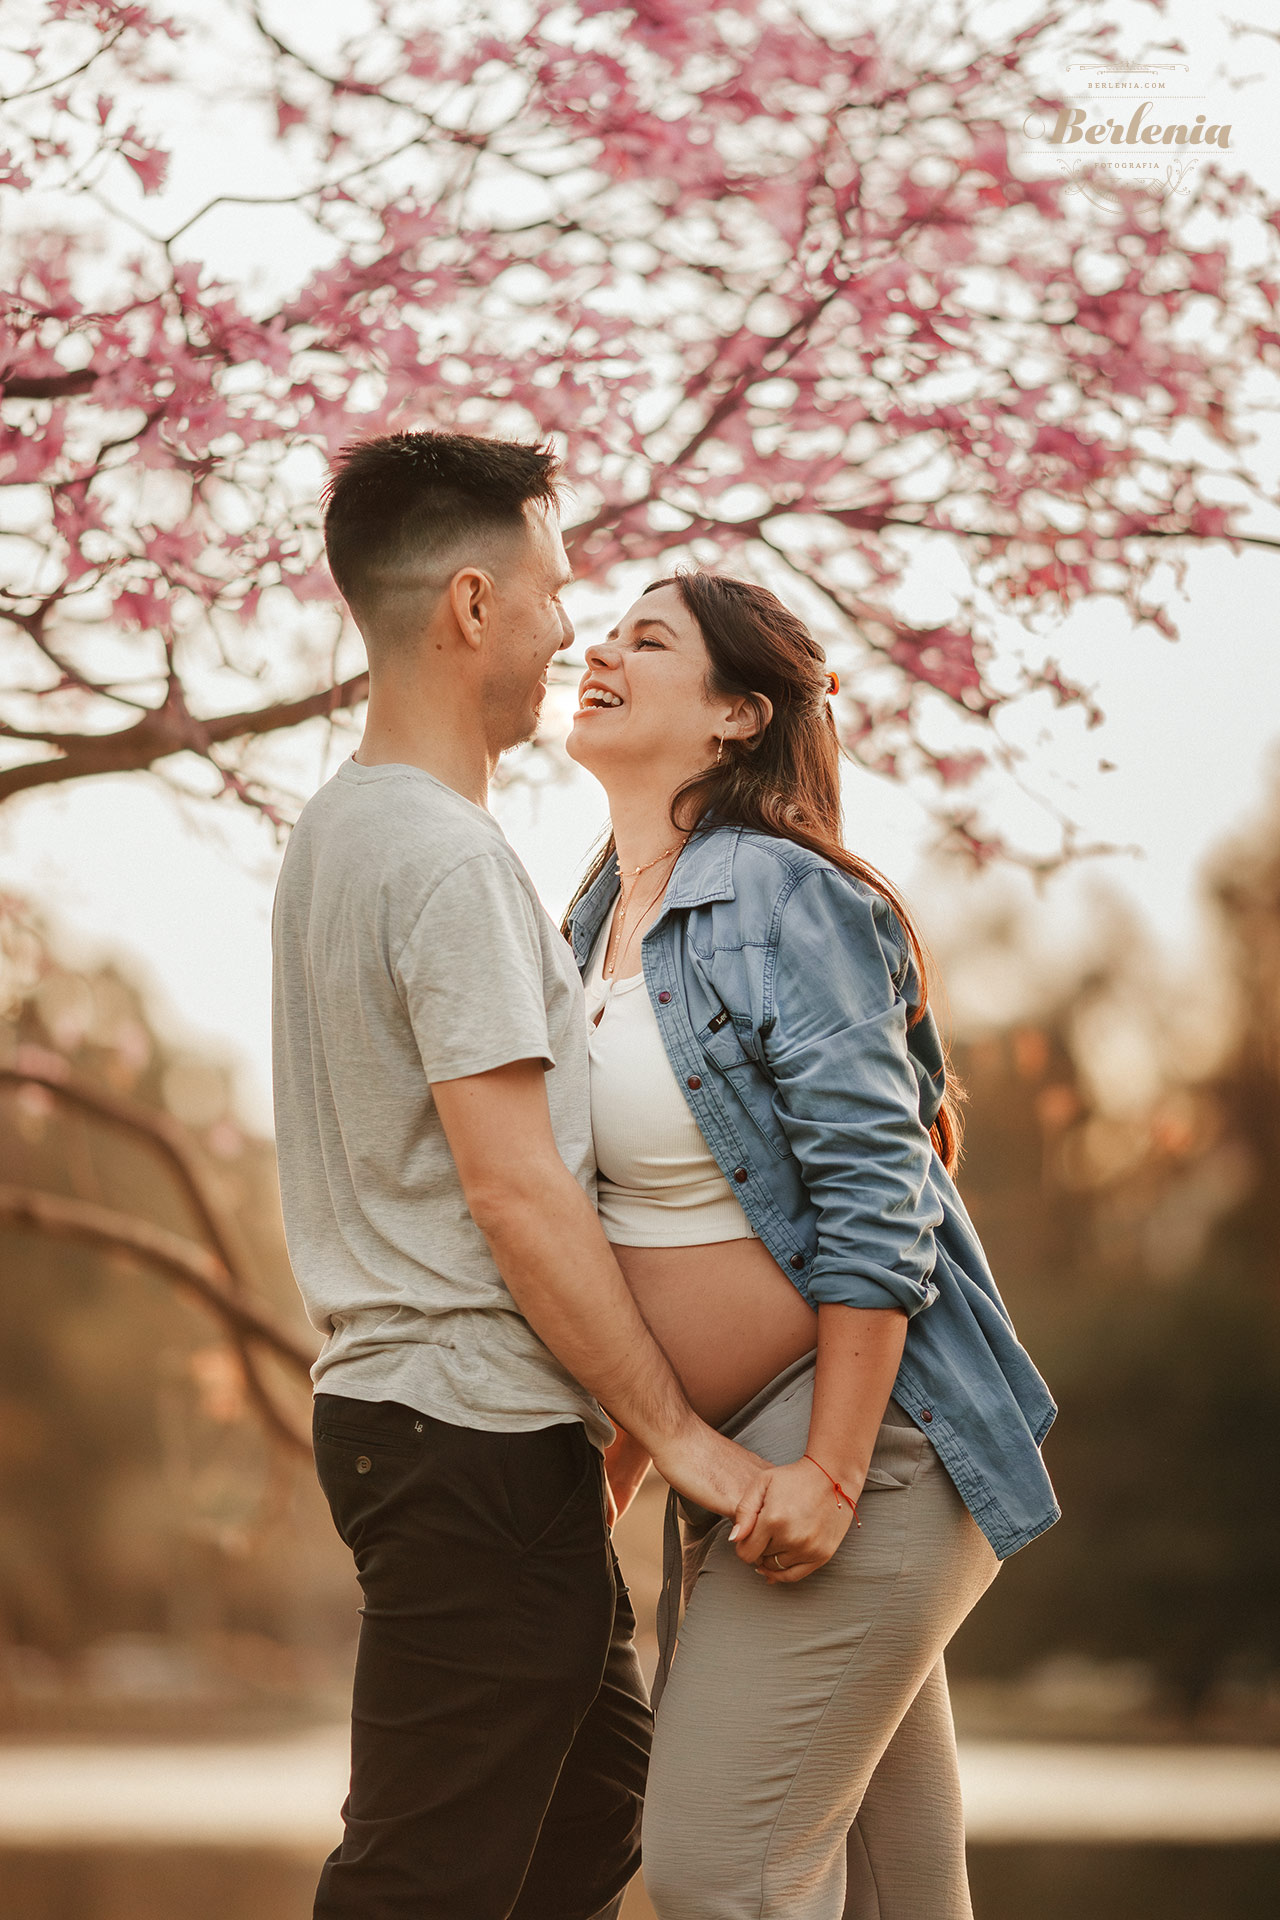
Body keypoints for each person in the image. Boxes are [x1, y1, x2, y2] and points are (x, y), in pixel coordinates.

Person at [270, 433, 775, 1920]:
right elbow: (515, 1191)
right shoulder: (442, 857)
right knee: (421, 1878)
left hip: (449, 1435)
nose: (575, 630)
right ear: (473, 605)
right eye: (558, 593)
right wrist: (674, 1435)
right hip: (462, 1432)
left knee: (592, 1804)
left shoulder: (343, 830)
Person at [563, 569, 1060, 1920]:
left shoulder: (786, 899)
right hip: (736, 1463)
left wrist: (832, 1475)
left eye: (646, 640)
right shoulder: (589, 916)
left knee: (722, 1873)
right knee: (901, 1898)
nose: (599, 647)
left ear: (736, 713)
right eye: (606, 629)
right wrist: (622, 1462)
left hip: (867, 1451)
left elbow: (874, 1195)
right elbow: (608, 1234)